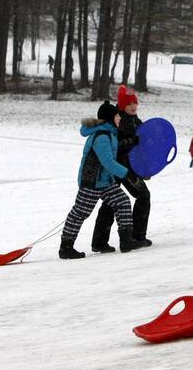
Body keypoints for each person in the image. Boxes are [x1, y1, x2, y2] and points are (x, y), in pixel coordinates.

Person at [58, 101, 137, 259]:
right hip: (92, 181)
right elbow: (107, 162)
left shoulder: (110, 133)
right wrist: (126, 173)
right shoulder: (102, 136)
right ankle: (66, 247)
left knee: (122, 201)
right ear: (109, 118)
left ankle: (126, 240)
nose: (119, 118)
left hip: (105, 181)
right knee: (80, 212)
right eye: (116, 115)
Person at [91, 85, 153, 251]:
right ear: (122, 105)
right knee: (140, 196)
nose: (133, 106)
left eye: (135, 103)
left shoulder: (135, 120)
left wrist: (146, 168)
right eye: (129, 103)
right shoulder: (117, 120)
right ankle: (133, 237)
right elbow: (114, 146)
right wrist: (132, 141)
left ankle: (101, 241)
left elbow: (142, 148)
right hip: (119, 168)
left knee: (116, 201)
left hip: (129, 167)